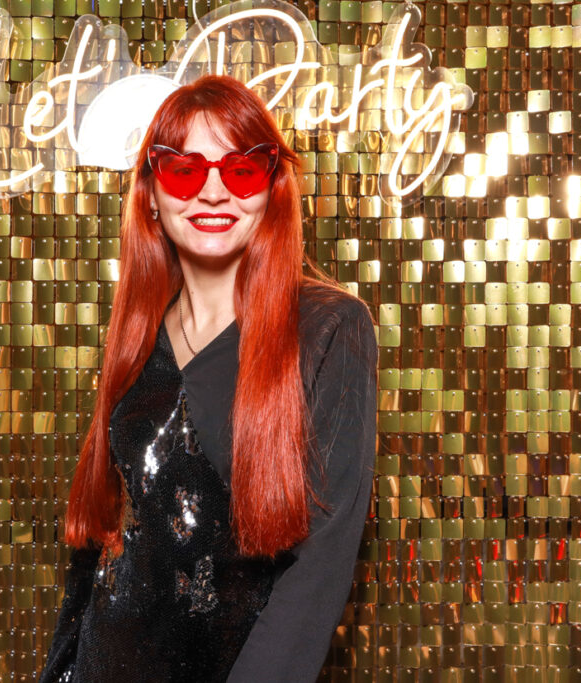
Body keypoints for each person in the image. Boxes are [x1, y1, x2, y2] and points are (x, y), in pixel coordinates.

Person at [37, 75, 377, 683]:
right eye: (185, 171)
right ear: (151, 194)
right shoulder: (140, 336)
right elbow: (98, 550)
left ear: (272, 187)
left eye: (242, 170)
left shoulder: (329, 327)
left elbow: (319, 567)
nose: (214, 191)